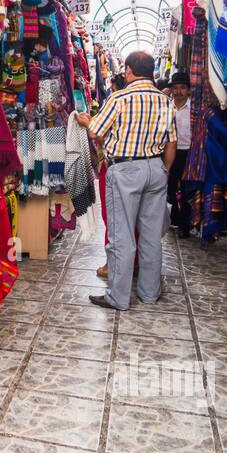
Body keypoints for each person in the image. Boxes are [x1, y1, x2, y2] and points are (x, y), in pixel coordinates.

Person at [75, 51, 176, 310]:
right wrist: (163, 169)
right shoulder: (166, 101)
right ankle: (149, 292)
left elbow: (96, 130)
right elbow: (171, 142)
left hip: (126, 169)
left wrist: (87, 121)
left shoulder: (120, 98)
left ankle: (118, 297)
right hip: (156, 167)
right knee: (151, 236)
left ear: (129, 71)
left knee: (122, 235)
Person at [94, 72, 130, 279]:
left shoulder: (115, 102)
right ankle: (135, 263)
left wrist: (84, 122)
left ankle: (112, 264)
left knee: (113, 217)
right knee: (134, 219)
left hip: (114, 164)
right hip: (143, 167)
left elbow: (97, 132)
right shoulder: (150, 101)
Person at [168, 71, 192, 239]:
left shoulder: (194, 109)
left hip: (189, 153)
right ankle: (173, 219)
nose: (178, 91)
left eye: (182, 88)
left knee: (186, 190)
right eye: (175, 88)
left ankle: (185, 225)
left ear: (188, 90)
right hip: (171, 152)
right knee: (169, 187)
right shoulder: (166, 107)